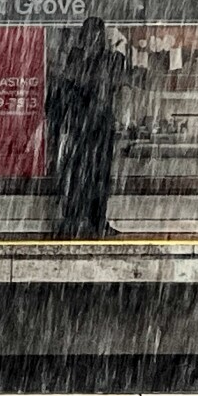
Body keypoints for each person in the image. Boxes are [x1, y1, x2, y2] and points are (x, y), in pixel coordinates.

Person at [49, 17, 126, 238]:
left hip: (91, 127)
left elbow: (110, 80)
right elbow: (91, 84)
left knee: (93, 176)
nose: (95, 39)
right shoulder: (85, 59)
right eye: (93, 35)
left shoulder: (94, 59)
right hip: (86, 126)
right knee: (82, 176)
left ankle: (88, 220)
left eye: (97, 35)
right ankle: (80, 221)